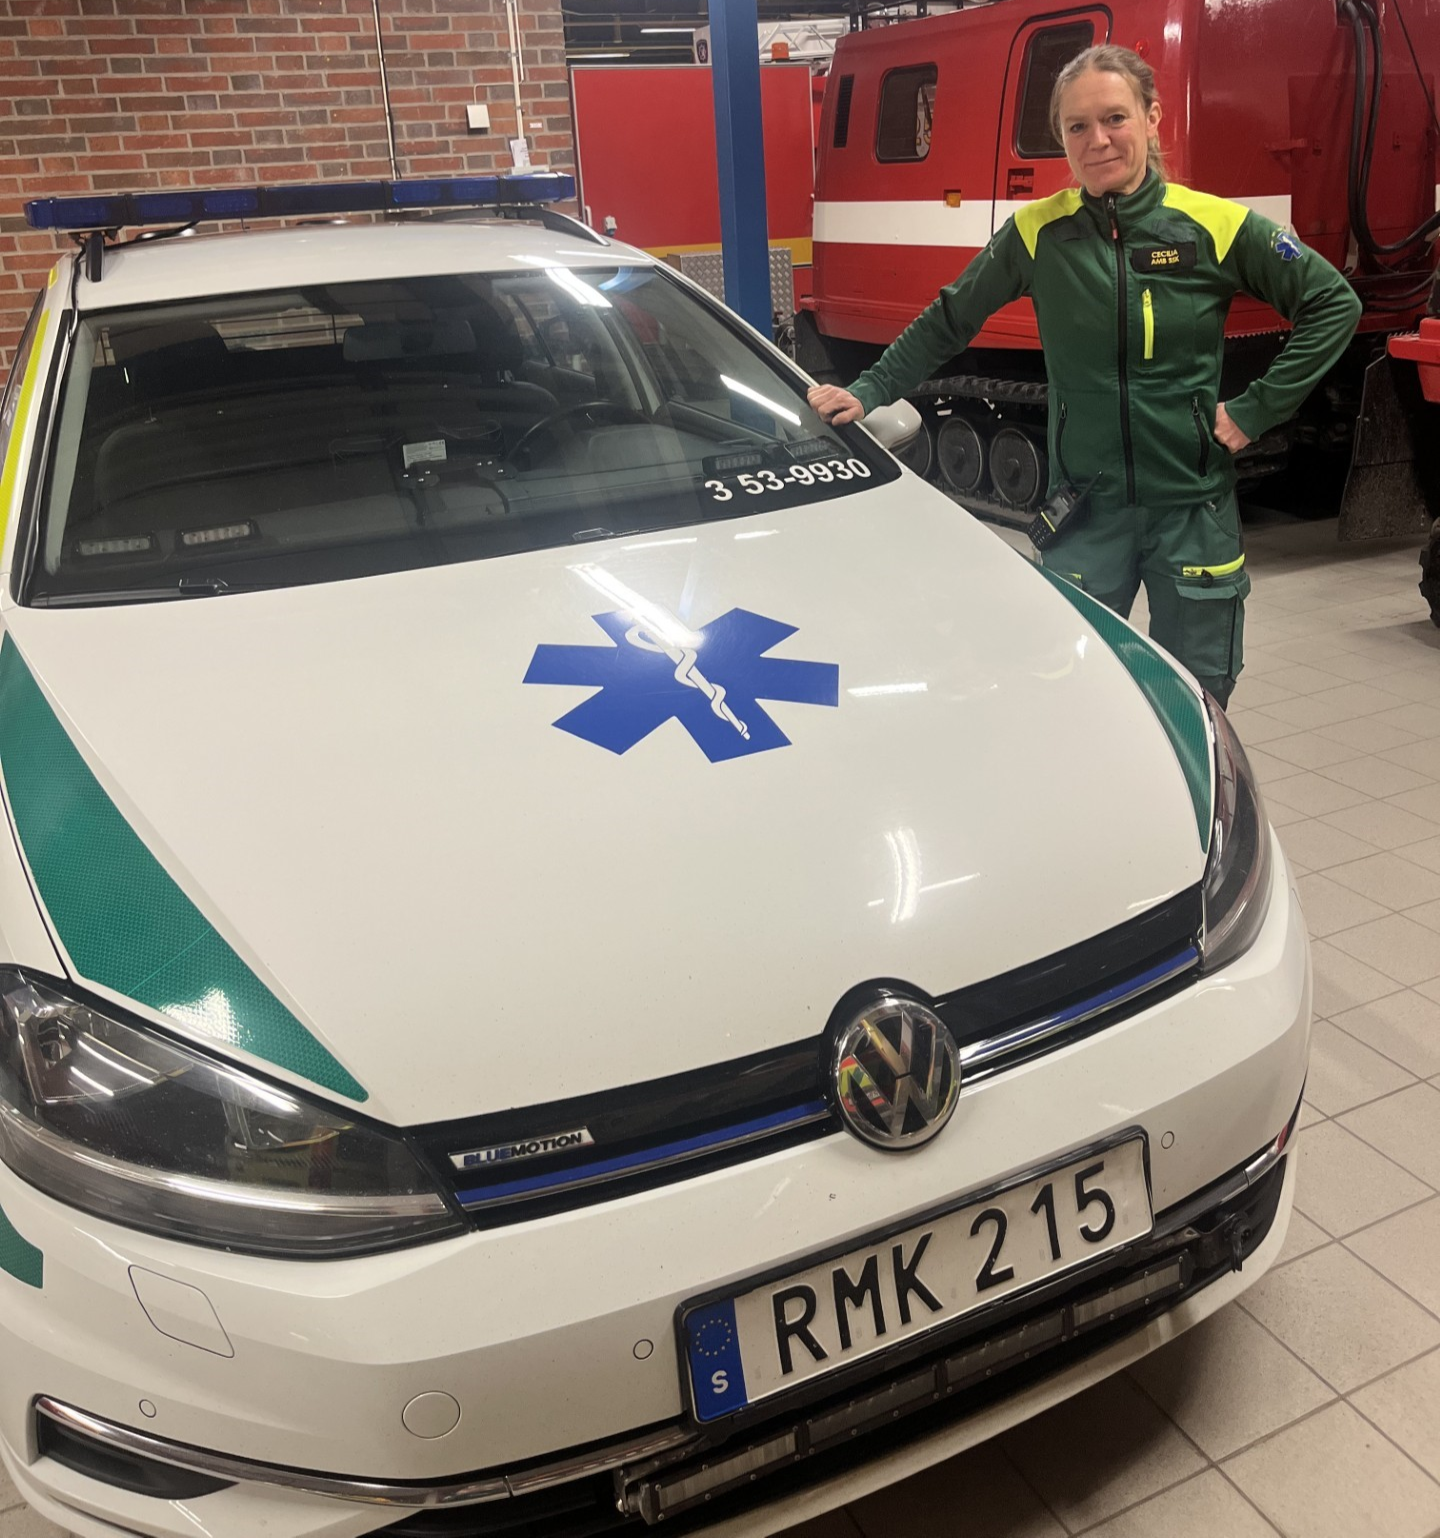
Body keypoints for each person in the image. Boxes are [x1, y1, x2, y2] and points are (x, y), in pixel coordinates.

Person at [807, 44, 1362, 706]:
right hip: (1086, 508)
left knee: (1200, 691)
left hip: (1192, 506)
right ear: (1062, 138)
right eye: (1078, 126)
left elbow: (1333, 303)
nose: (1098, 140)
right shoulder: (1038, 233)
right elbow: (950, 318)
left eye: (1115, 118)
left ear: (1151, 118)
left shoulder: (1213, 225)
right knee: (1077, 684)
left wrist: (1257, 409)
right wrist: (868, 389)